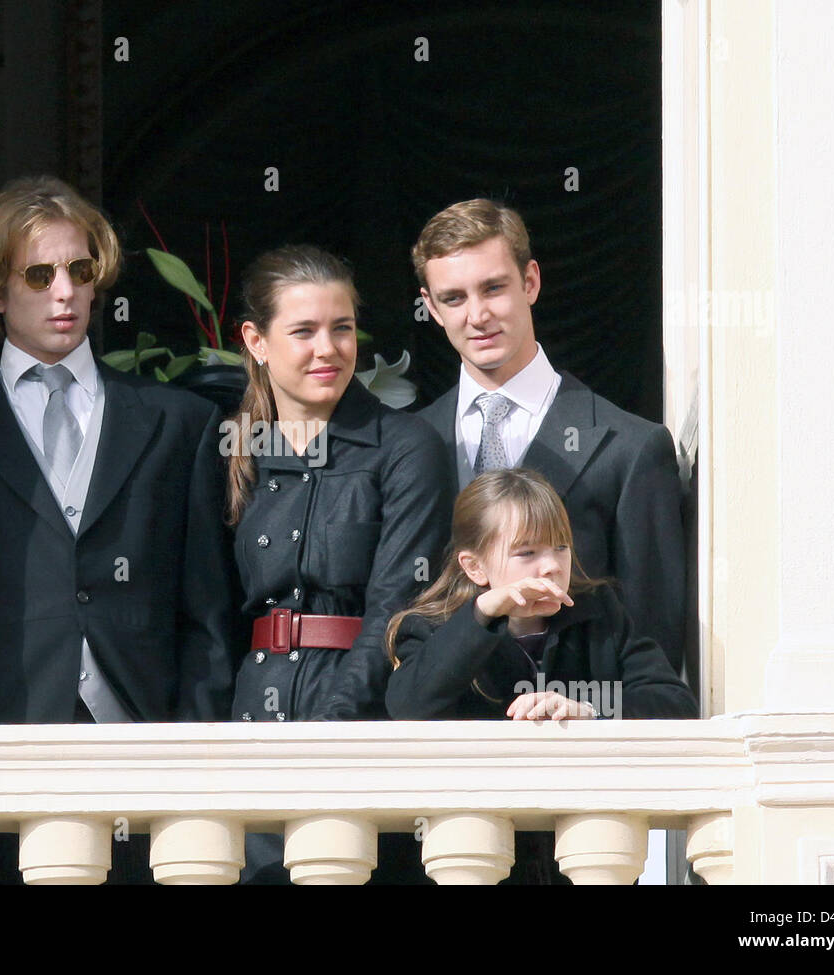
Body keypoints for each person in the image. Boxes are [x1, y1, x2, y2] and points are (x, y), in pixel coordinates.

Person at [0, 175, 235, 881]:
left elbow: (208, 617)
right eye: (39, 275)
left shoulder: (178, 423)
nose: (65, 293)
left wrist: (195, 756)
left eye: (79, 271)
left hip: (146, 765)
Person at [227, 244, 453, 881]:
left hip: (361, 729)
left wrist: (326, 736)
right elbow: (209, 611)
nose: (327, 348)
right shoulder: (235, 449)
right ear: (257, 340)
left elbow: (398, 611)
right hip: (248, 728)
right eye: (302, 331)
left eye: (342, 328)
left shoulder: (407, 446)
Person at [414, 200, 688, 673]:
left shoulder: (630, 448)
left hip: (572, 735)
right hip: (440, 731)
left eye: (493, 288)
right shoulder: (408, 445)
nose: (477, 315)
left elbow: (653, 644)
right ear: (431, 308)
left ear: (531, 282)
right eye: (454, 298)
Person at [386, 468, 697, 882]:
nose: (551, 566)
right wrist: (482, 617)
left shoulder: (600, 613)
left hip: (583, 857)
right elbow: (408, 705)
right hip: (474, 858)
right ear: (474, 567)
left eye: (561, 547)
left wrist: (587, 711)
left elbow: (674, 705)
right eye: (526, 552)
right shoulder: (431, 628)